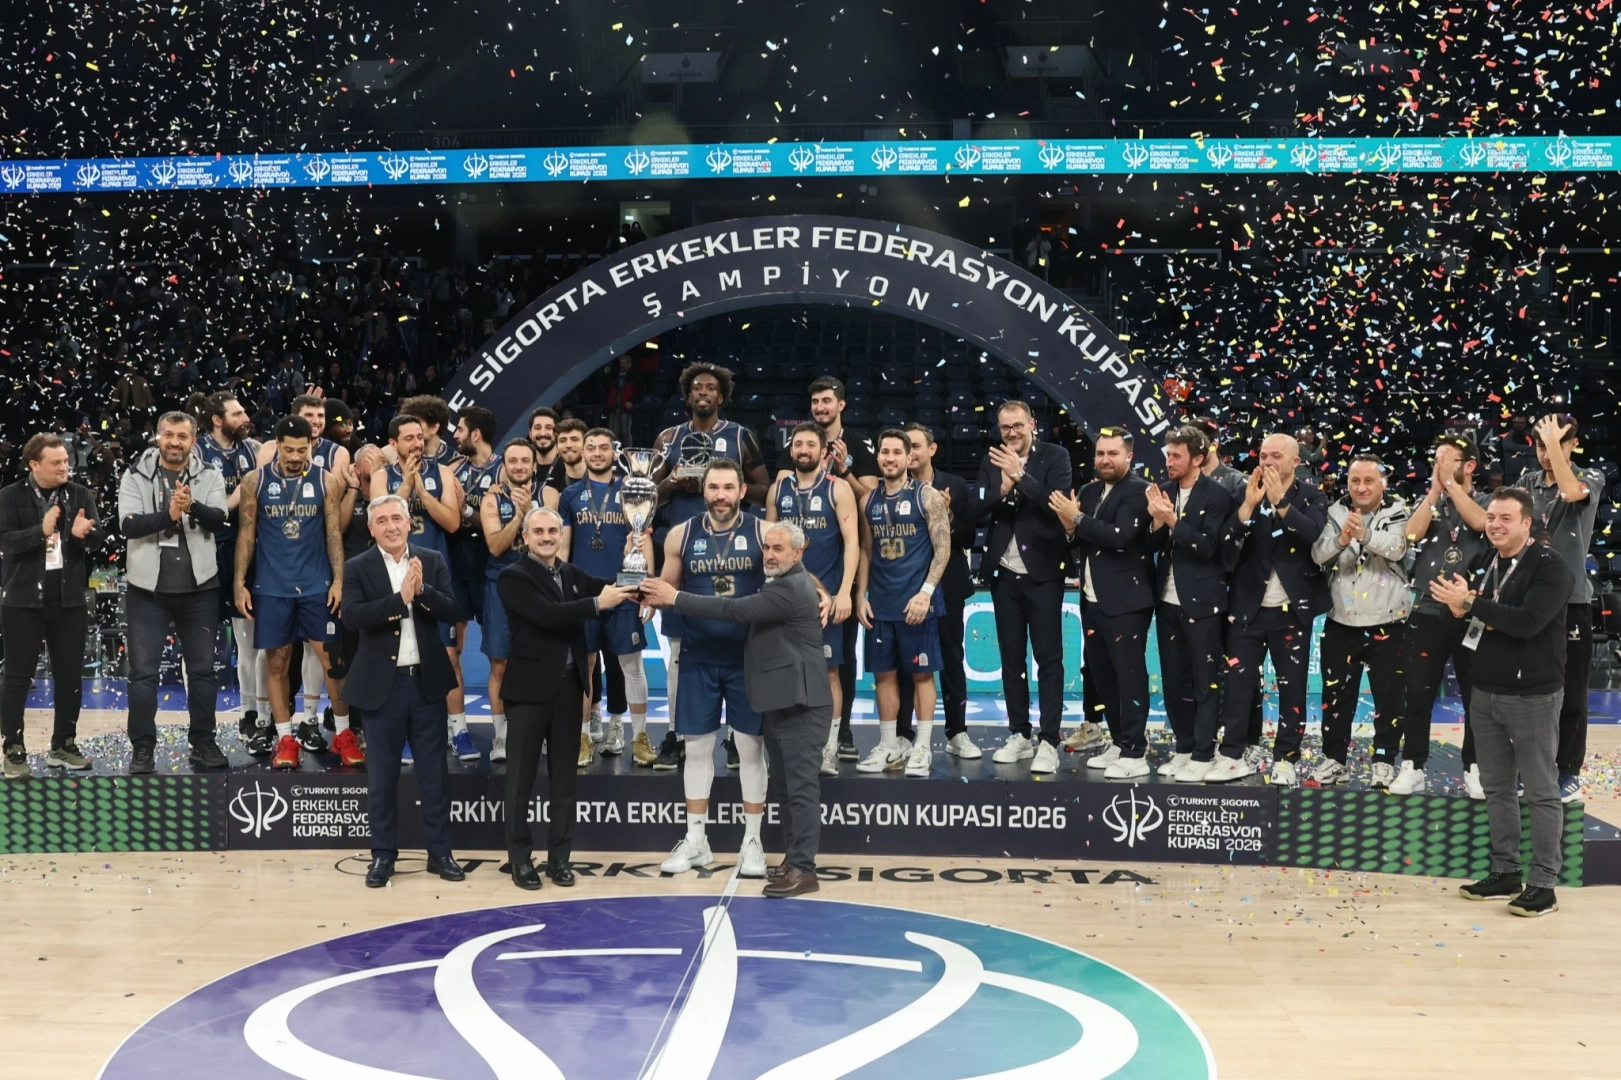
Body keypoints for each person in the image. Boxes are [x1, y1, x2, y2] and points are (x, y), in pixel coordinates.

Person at [642, 521, 834, 898]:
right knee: (787, 787)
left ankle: (805, 870)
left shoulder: (792, 587)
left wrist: (675, 598)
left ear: (798, 553)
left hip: (802, 703)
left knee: (801, 789)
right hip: (782, 700)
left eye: (779, 549)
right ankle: (794, 861)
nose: (770, 555)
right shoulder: (783, 582)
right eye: (767, 548)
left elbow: (732, 608)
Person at [1432, 488, 1570, 918]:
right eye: (1491, 517)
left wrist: (1471, 604)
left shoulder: (1550, 567)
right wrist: (1460, 609)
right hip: (1485, 689)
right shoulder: (1483, 561)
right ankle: (1505, 871)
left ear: (1527, 524)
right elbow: (1459, 617)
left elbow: (1527, 623)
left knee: (1541, 791)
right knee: (1497, 787)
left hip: (1533, 694)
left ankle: (1543, 883)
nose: (1495, 525)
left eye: (1505, 518)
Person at [496, 507, 638, 889]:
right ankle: (520, 860)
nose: (546, 537)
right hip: (528, 692)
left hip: (569, 690)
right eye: (538, 531)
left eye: (552, 531)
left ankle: (559, 860)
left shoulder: (572, 573)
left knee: (564, 783)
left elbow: (609, 586)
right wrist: (597, 605)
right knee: (520, 784)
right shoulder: (512, 576)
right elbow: (546, 614)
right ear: (525, 537)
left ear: (561, 536)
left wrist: (632, 565)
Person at [649, 363, 771, 770]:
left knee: (739, 648)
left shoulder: (740, 436)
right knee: (678, 651)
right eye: (696, 387)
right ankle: (676, 734)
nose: (703, 392)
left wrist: (719, 487)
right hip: (682, 551)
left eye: (710, 387)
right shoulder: (668, 438)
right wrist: (675, 483)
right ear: (688, 396)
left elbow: (764, 490)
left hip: (736, 555)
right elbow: (648, 494)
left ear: (721, 396)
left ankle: (737, 737)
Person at [653, 459, 771, 875]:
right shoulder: (681, 534)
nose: (721, 495)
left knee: (750, 751)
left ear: (742, 491)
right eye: (714, 487)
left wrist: (822, 593)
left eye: (728, 487)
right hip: (698, 656)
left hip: (747, 658)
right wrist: (640, 585)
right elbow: (666, 589)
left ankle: (753, 842)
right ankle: (696, 840)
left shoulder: (763, 532)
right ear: (704, 491)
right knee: (698, 751)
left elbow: (787, 580)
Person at [341, 494, 463, 889]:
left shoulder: (431, 559)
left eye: (397, 518)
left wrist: (421, 591)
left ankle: (440, 853)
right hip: (382, 689)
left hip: (426, 685)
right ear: (371, 528)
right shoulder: (357, 566)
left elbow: (451, 609)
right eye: (382, 521)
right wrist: (400, 600)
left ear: (409, 522)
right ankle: (383, 855)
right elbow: (352, 616)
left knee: (434, 775)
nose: (391, 526)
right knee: (382, 778)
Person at [1208, 433, 1330, 784]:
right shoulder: (1243, 491)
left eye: (1276, 455)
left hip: (1292, 611)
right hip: (1247, 609)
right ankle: (1232, 753)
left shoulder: (1313, 496)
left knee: (1292, 688)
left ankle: (1286, 758)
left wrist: (1281, 504)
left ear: (1296, 461)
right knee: (1238, 685)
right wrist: (1247, 507)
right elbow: (1225, 543)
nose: (1268, 461)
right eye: (1263, 455)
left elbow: (1313, 534)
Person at [119, 412, 230, 773]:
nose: (175, 442)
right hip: (146, 591)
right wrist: (169, 515)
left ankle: (203, 742)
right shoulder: (134, 474)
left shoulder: (210, 474)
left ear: (193, 441)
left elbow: (219, 519)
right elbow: (128, 525)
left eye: (182, 436)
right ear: (158, 437)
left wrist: (191, 506)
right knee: (142, 674)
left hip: (199, 589)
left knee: (202, 672)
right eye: (168, 435)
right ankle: (142, 748)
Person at [234, 416, 347, 769]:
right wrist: (239, 582)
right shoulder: (255, 481)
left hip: (316, 584)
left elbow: (333, 534)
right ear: (277, 446)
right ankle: (285, 740)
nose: (296, 456)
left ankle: (343, 734)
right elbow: (246, 534)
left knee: (333, 661)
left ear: (311, 446)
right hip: (272, 586)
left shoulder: (326, 480)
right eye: (289, 449)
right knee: (277, 662)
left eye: (303, 449)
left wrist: (339, 580)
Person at [1049, 427, 1155, 777]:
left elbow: (1121, 538)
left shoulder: (1139, 490)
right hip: (1092, 599)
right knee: (1102, 675)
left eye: (1112, 453)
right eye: (1100, 453)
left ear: (1129, 457)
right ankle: (1121, 741)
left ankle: (1136, 750)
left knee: (1129, 676)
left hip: (1128, 602)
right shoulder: (1090, 491)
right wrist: (1069, 527)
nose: (1105, 460)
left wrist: (1077, 518)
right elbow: (1078, 541)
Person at [977, 401, 1074, 773]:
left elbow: (1058, 506)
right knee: (1011, 658)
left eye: (1018, 425)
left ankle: (1049, 740)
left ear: (1033, 423)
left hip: (1044, 572)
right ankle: (1019, 733)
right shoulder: (992, 459)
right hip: (1004, 573)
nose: (1012, 433)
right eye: (1005, 428)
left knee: (1048, 658)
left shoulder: (1056, 456)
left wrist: (1021, 476)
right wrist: (1001, 488)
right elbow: (977, 507)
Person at [0, 434, 102, 780]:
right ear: (34, 465)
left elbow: (99, 539)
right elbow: (3, 542)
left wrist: (86, 534)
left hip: (69, 599)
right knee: (16, 677)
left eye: (66, 461)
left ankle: (64, 744)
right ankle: (13, 748)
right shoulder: (10, 496)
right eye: (56, 462)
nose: (64, 467)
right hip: (22, 601)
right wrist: (39, 531)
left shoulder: (80, 494)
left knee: (70, 676)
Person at [1515, 414, 1605, 803]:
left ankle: (1567, 769)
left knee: (1572, 689)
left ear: (1573, 444)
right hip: (1527, 599)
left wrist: (1554, 445)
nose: (1545, 453)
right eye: (1539, 445)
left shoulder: (1590, 477)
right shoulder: (1526, 482)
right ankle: (1529, 767)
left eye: (1554, 444)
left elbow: (1571, 494)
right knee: (1527, 688)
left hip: (1571, 600)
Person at [1398, 435, 1492, 798]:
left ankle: (1475, 767)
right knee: (1418, 692)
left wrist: (1450, 486)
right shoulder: (1431, 501)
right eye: (1435, 459)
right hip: (1426, 610)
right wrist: (1435, 492)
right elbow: (1411, 533)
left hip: (1471, 613)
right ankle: (1413, 765)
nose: (1437, 465)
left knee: (1475, 695)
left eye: (1445, 459)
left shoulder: (1488, 501)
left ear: (1469, 466)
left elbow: (1482, 523)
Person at [1140, 426, 1235, 782]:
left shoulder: (1218, 495)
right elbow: (1151, 546)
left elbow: (1210, 547)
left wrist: (1171, 520)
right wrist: (1155, 522)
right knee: (1174, 679)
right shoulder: (1163, 491)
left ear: (1198, 459)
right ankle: (1184, 746)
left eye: (1177, 456)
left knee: (1205, 681)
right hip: (1166, 601)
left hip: (1203, 603)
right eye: (1169, 454)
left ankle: (1203, 752)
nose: (1170, 461)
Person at [1310, 455, 1411, 787]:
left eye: (1369, 480)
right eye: (1355, 480)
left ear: (1383, 482)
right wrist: (1342, 539)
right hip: (1341, 621)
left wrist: (1364, 534)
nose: (1362, 487)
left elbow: (1398, 548)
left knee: (1389, 698)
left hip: (1389, 621)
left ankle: (1383, 760)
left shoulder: (1400, 510)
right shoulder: (1334, 511)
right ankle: (1334, 759)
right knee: (1336, 697)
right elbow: (1317, 554)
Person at [856, 430, 951, 777]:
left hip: (917, 604)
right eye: (885, 452)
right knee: (884, 676)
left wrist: (925, 593)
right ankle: (890, 744)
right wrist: (860, 595)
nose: (890, 458)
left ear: (909, 457)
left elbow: (943, 549)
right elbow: (866, 550)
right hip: (881, 604)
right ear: (878, 457)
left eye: (897, 452)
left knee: (922, 676)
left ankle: (922, 746)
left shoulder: (927, 496)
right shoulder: (868, 501)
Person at [371, 414, 467, 754]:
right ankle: (406, 735)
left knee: (449, 655)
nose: (416, 444)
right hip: (392, 576)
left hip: (435, 574)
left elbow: (452, 522)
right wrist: (407, 485)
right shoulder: (382, 476)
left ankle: (459, 729)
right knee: (399, 655)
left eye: (419, 437)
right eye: (408, 438)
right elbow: (381, 518)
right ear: (393, 443)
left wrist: (423, 492)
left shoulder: (442, 473)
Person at [766, 421, 858, 774]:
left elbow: (852, 543)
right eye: (798, 444)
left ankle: (828, 747)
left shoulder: (838, 489)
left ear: (823, 451)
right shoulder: (778, 489)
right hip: (785, 598)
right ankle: (788, 747)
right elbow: (768, 543)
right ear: (791, 449)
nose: (803, 450)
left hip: (825, 599)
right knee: (784, 672)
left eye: (810, 445)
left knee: (828, 672)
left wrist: (844, 592)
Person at [559, 428, 655, 765]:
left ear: (614, 453)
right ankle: (583, 736)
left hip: (624, 587)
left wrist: (647, 587)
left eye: (603, 447)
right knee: (584, 666)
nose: (597, 453)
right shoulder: (571, 494)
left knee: (631, 665)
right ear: (583, 452)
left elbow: (643, 540)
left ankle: (634, 735)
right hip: (584, 593)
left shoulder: (633, 490)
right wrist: (560, 588)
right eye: (591, 447)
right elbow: (564, 547)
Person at [897, 422, 982, 761]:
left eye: (916, 446)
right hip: (905, 587)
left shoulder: (955, 485)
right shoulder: (894, 487)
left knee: (950, 660)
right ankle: (903, 735)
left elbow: (969, 538)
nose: (911, 453)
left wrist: (949, 515)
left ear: (932, 449)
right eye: (906, 447)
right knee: (906, 662)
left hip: (947, 586)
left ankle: (957, 731)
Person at [194, 391, 264, 737]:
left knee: (248, 642)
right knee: (200, 647)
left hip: (247, 551)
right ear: (217, 420)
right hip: (207, 551)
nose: (245, 418)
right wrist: (238, 496)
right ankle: (199, 723)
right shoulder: (197, 452)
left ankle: (251, 713)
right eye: (237, 414)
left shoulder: (253, 449)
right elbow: (202, 505)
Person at [480, 438, 542, 764]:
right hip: (500, 589)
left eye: (525, 461)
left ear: (534, 465)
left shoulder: (549, 495)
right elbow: (495, 546)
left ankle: (536, 732)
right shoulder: (491, 498)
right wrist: (519, 517)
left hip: (539, 589)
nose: (519, 466)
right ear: (503, 466)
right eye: (512, 461)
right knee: (500, 665)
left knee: (539, 663)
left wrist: (531, 509)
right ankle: (502, 736)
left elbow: (550, 546)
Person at [447, 405, 502, 761]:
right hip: (455, 571)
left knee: (500, 656)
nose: (455, 436)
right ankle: (459, 728)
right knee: (451, 651)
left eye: (460, 430)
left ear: (476, 434)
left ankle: (505, 733)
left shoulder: (504, 470)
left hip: (492, 572)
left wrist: (468, 510)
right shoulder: (453, 470)